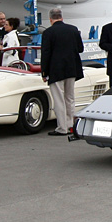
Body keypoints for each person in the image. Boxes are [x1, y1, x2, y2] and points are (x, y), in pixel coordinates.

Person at [40, 7, 84, 136]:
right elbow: (80, 49)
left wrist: (44, 72)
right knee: (70, 98)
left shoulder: (48, 32)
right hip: (72, 68)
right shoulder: (73, 29)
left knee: (59, 99)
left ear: (50, 19)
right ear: (61, 17)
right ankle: (71, 125)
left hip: (56, 69)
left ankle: (62, 127)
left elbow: (46, 53)